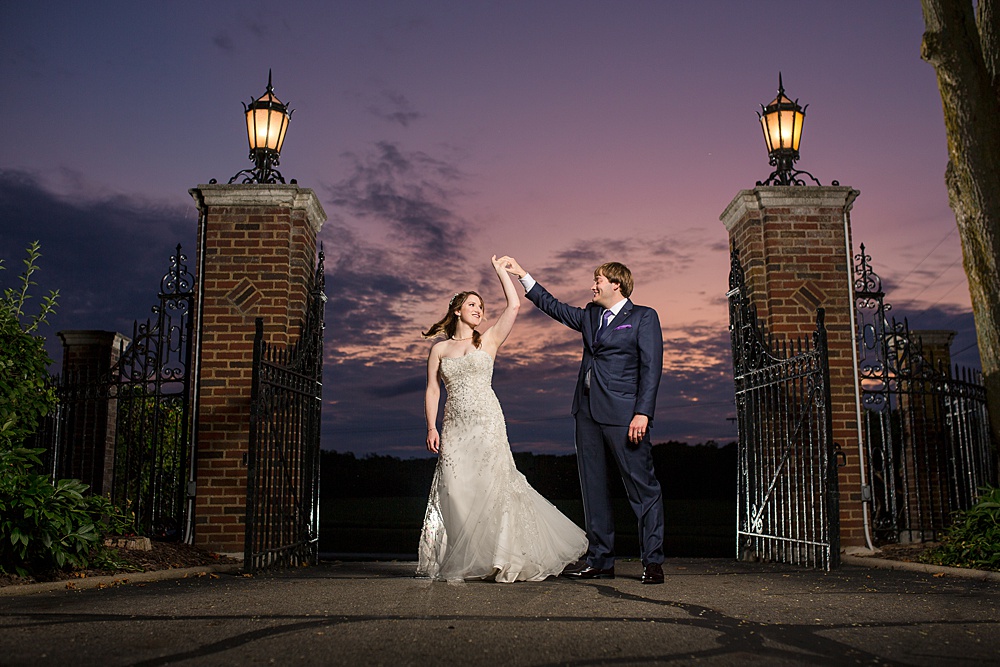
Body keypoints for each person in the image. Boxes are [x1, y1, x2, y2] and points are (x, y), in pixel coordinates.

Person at [416, 255, 587, 583]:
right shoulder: (439, 350)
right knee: (456, 489)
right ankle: (468, 558)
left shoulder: (489, 339)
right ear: (456, 310)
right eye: (472, 304)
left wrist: (500, 272)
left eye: (481, 306)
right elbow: (432, 390)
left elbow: (513, 307)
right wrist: (430, 426)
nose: (479, 309)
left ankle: (501, 557)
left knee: (494, 487)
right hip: (454, 426)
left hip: (487, 422)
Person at [498, 256, 666, 584]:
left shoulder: (644, 317)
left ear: (616, 284)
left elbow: (651, 368)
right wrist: (523, 275)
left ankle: (654, 560)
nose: (593, 286)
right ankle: (601, 560)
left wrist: (642, 412)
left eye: (598, 281)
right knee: (593, 488)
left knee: (643, 488)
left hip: (624, 416)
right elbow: (554, 307)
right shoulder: (590, 315)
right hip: (586, 413)